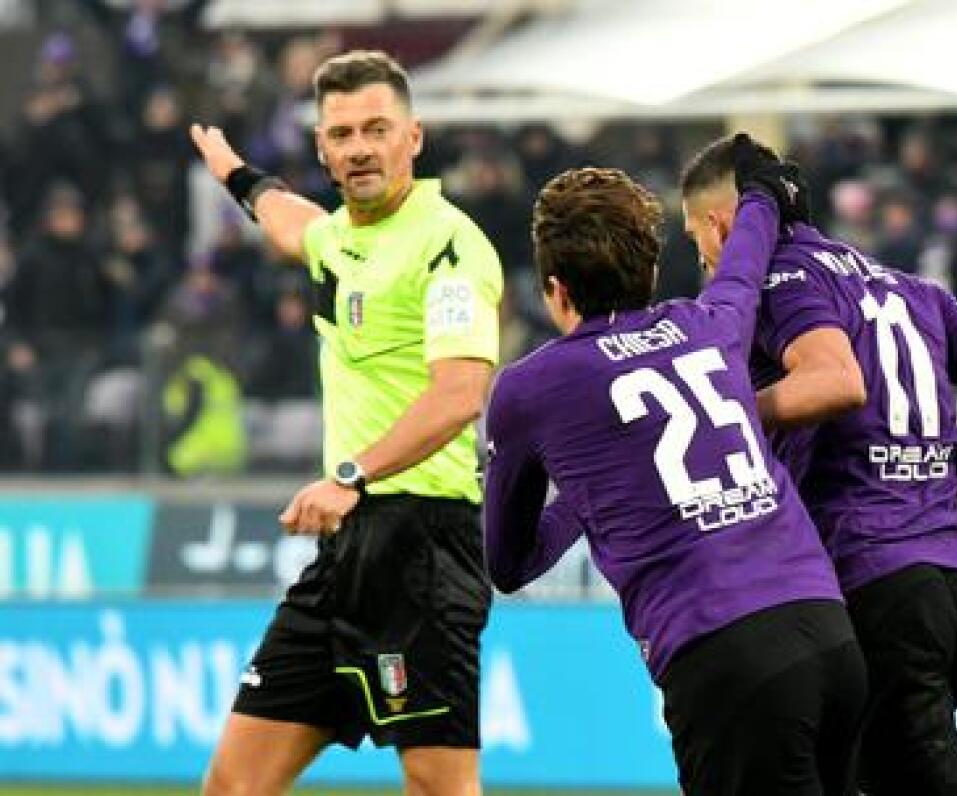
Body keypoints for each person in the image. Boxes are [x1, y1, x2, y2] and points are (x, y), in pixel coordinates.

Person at [680, 135, 957, 796]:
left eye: (695, 238)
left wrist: (718, 411)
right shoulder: (907, 289)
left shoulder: (781, 281)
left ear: (722, 224)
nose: (702, 261)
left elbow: (834, 382)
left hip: (877, 594)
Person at [484, 140, 867, 795]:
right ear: (653, 267)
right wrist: (763, 192)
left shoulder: (529, 388)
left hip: (727, 659)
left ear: (555, 289)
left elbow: (508, 563)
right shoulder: (708, 324)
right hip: (831, 636)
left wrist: (583, 494)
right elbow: (743, 263)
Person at [190, 50, 500, 796]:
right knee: (232, 786)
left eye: (376, 129)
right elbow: (289, 223)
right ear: (322, 150)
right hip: (343, 554)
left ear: (413, 138)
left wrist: (350, 474)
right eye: (342, 134)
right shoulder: (338, 237)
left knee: (440, 788)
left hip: (422, 543)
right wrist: (235, 173)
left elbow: (460, 394)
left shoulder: (448, 247)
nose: (360, 147)